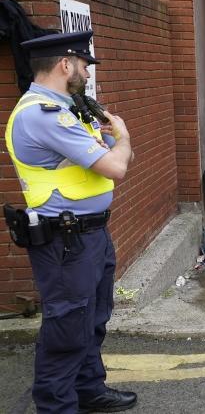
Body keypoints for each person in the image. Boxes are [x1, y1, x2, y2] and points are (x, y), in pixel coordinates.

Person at [9, 31, 136, 412]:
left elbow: (100, 159)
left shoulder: (66, 111)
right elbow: (116, 166)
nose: (86, 73)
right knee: (67, 329)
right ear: (65, 64)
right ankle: (57, 406)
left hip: (88, 235)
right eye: (83, 65)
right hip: (66, 242)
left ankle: (88, 389)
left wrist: (112, 144)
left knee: (92, 319)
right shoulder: (42, 115)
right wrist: (124, 136)